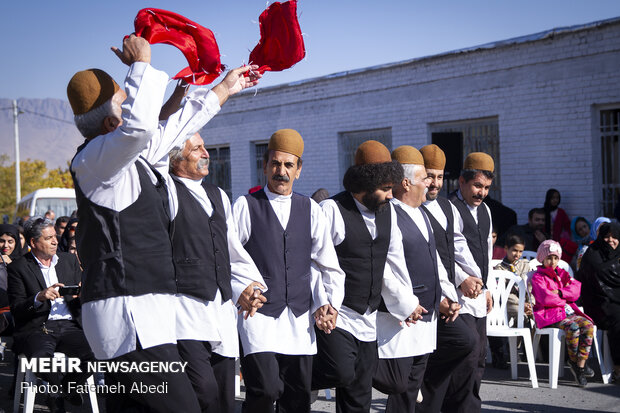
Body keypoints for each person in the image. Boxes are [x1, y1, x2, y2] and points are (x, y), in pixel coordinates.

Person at [68, 34, 260, 412]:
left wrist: (225, 87)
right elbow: (139, 129)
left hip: (146, 316)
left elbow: (175, 128)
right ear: (111, 122)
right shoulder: (94, 162)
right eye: (126, 103)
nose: (136, 108)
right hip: (126, 316)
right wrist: (140, 64)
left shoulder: (129, 161)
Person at [233, 129, 345, 413]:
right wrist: (241, 289)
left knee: (297, 400)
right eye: (275, 164)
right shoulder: (246, 206)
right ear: (265, 165)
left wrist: (329, 303)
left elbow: (326, 263)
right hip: (259, 317)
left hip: (298, 319)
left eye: (288, 165)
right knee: (265, 389)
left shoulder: (311, 209)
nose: (280, 171)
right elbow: (229, 257)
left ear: (299, 170)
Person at [312, 140, 417, 413]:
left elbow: (394, 264)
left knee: (359, 393)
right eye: (384, 189)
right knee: (341, 372)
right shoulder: (332, 210)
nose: (391, 196)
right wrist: (325, 303)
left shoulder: (389, 213)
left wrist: (407, 303)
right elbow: (317, 263)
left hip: (368, 318)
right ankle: (294, 378)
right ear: (365, 185)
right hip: (339, 313)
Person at [167, 132, 267, 413]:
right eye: (196, 149)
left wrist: (246, 287)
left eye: (204, 147)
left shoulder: (218, 195)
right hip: (184, 310)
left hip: (220, 310)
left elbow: (231, 250)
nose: (206, 153)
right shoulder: (168, 192)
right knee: (203, 391)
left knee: (224, 397)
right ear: (176, 160)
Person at [372, 146, 458, 413]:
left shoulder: (421, 213)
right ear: (407, 183)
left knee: (411, 386)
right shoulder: (389, 214)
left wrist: (446, 295)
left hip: (426, 315)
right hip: (403, 316)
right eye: (424, 179)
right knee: (399, 383)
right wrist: (406, 303)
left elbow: (435, 262)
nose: (429, 184)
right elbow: (386, 268)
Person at [7, 217, 94, 412]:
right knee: (40, 359)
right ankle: (61, 392)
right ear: (33, 243)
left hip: (70, 326)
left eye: (55, 236)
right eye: (49, 238)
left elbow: (83, 296)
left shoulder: (69, 260)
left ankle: (62, 390)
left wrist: (83, 292)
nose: (55, 241)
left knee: (98, 351)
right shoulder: (18, 268)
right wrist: (39, 296)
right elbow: (17, 309)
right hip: (37, 328)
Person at [417, 144, 477, 413]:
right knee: (462, 342)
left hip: (450, 296)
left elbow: (457, 245)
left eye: (440, 177)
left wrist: (472, 276)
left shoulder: (447, 206)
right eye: (430, 176)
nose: (435, 183)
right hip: (425, 297)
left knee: (467, 348)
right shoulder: (410, 208)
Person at [447, 152, 495, 412]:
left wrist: (487, 288)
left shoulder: (485, 210)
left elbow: (487, 253)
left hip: (479, 297)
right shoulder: (449, 209)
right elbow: (446, 252)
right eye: (477, 186)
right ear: (462, 182)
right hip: (457, 295)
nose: (482, 193)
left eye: (486, 187)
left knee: (479, 358)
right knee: (465, 356)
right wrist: (462, 279)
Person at [531, 239, 594, 387]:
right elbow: (545, 297)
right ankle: (574, 362)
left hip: (566, 312)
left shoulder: (563, 273)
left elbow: (576, 289)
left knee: (588, 325)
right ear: (542, 258)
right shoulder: (538, 277)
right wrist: (564, 298)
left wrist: (559, 292)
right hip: (550, 315)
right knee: (573, 328)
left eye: (555, 258)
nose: (552, 261)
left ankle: (580, 364)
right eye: (549, 258)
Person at [578, 222, 620, 382]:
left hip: (615, 300)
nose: (610, 240)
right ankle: (617, 369)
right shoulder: (593, 254)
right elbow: (598, 279)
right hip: (597, 303)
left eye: (614, 236)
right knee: (618, 319)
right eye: (606, 236)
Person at [493, 234, 534, 328]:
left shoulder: (525, 265)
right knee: (522, 318)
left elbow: (530, 287)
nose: (518, 254)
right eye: (515, 250)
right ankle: (516, 342)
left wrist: (531, 304)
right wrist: (521, 304)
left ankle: (534, 342)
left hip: (526, 303)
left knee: (538, 316)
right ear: (506, 248)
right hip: (510, 303)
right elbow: (503, 292)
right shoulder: (499, 269)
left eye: (520, 251)